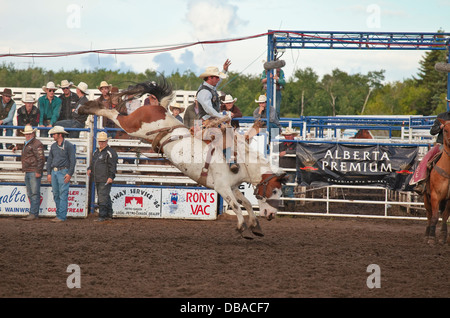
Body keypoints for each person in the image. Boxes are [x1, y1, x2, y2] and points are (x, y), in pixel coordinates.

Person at [410, 110, 450, 194]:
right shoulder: (441, 116)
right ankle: (422, 183)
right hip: (442, 144)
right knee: (427, 159)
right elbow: (432, 131)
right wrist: (440, 127)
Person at [14, 125, 46, 220]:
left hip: (33, 170)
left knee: (34, 193)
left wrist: (38, 171)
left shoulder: (36, 144)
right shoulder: (31, 143)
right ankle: (33, 213)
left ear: (33, 134)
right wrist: (17, 147)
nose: (27, 135)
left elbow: (41, 159)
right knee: (31, 193)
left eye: (29, 134)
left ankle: (33, 213)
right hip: (29, 170)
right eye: (26, 134)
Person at [46, 126, 76, 222]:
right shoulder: (54, 146)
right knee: (56, 194)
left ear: (60, 135)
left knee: (62, 194)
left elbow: (73, 160)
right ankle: (59, 214)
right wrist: (49, 173)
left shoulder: (68, 145)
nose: (53, 136)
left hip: (63, 171)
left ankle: (61, 216)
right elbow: (50, 160)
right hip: (55, 171)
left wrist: (69, 173)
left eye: (54, 134)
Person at [87, 132, 118, 222]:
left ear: (106, 141)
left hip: (104, 178)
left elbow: (112, 166)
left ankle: (102, 215)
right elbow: (93, 163)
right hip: (98, 177)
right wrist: (90, 168)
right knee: (105, 196)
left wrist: (111, 176)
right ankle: (108, 214)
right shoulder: (97, 152)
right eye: (100, 141)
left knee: (102, 197)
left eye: (103, 141)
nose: (101, 143)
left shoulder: (110, 152)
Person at [277, 127, 299, 211]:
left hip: (291, 170)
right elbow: (274, 152)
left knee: (288, 190)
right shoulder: (281, 145)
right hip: (282, 170)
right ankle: (288, 210)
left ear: (293, 135)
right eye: (286, 135)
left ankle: (290, 210)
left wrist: (286, 152)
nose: (288, 137)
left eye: (289, 135)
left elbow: (298, 151)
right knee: (283, 189)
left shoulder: (297, 144)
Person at [0, 88, 17, 152]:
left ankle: (8, 143)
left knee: (10, 124)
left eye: (9, 96)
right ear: (3, 96)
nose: (8, 98)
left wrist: (2, 121)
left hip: (6, 121)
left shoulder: (13, 104)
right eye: (6, 96)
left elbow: (10, 117)